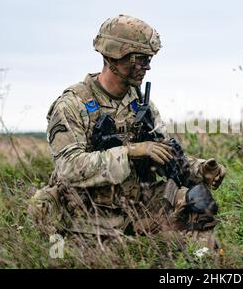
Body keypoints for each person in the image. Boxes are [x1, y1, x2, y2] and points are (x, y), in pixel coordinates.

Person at [29, 15, 226, 247]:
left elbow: (164, 154)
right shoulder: (72, 105)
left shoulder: (142, 104)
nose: (147, 67)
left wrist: (200, 169)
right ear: (115, 56)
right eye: (140, 59)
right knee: (107, 257)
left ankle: (200, 263)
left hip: (138, 202)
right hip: (89, 212)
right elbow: (69, 167)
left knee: (199, 203)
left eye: (149, 59)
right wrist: (131, 151)